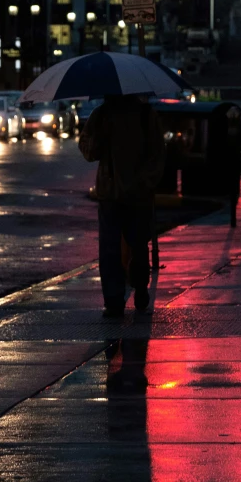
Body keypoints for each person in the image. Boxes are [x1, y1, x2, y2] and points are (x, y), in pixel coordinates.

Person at [78, 94, 165, 317]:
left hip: (129, 194)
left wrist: (143, 181)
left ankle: (128, 291)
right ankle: (118, 296)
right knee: (117, 247)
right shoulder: (104, 115)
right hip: (116, 194)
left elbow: (157, 153)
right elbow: (90, 151)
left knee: (129, 245)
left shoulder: (143, 115)